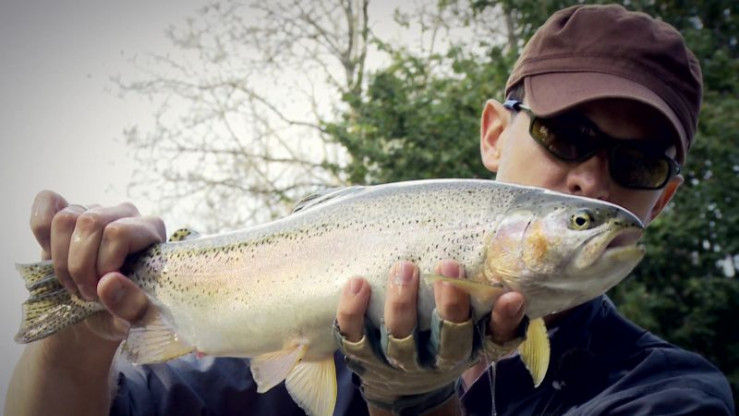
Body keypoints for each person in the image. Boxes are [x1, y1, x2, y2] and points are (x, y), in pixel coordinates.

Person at [5, 4, 734, 416]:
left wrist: (415, 404)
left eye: (639, 164)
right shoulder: (262, 353)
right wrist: (85, 318)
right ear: (492, 132)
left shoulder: (669, 396)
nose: (588, 182)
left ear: (663, 199)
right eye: (565, 136)